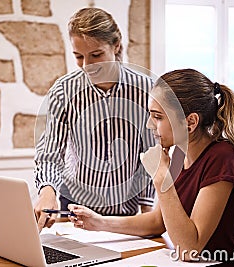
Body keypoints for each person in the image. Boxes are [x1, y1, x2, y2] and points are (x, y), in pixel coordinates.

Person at [68, 69, 234, 266]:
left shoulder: (221, 156)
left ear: (190, 122)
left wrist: (160, 177)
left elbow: (189, 249)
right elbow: (157, 221)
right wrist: (99, 222)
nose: (149, 125)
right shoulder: (179, 152)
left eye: (158, 117)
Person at [34, 7, 155, 231]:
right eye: (79, 56)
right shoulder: (64, 91)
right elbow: (50, 153)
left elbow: (151, 155)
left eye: (96, 55)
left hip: (125, 212)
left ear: (116, 45)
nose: (87, 65)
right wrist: (47, 191)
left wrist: (150, 215)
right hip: (73, 207)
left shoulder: (145, 90)